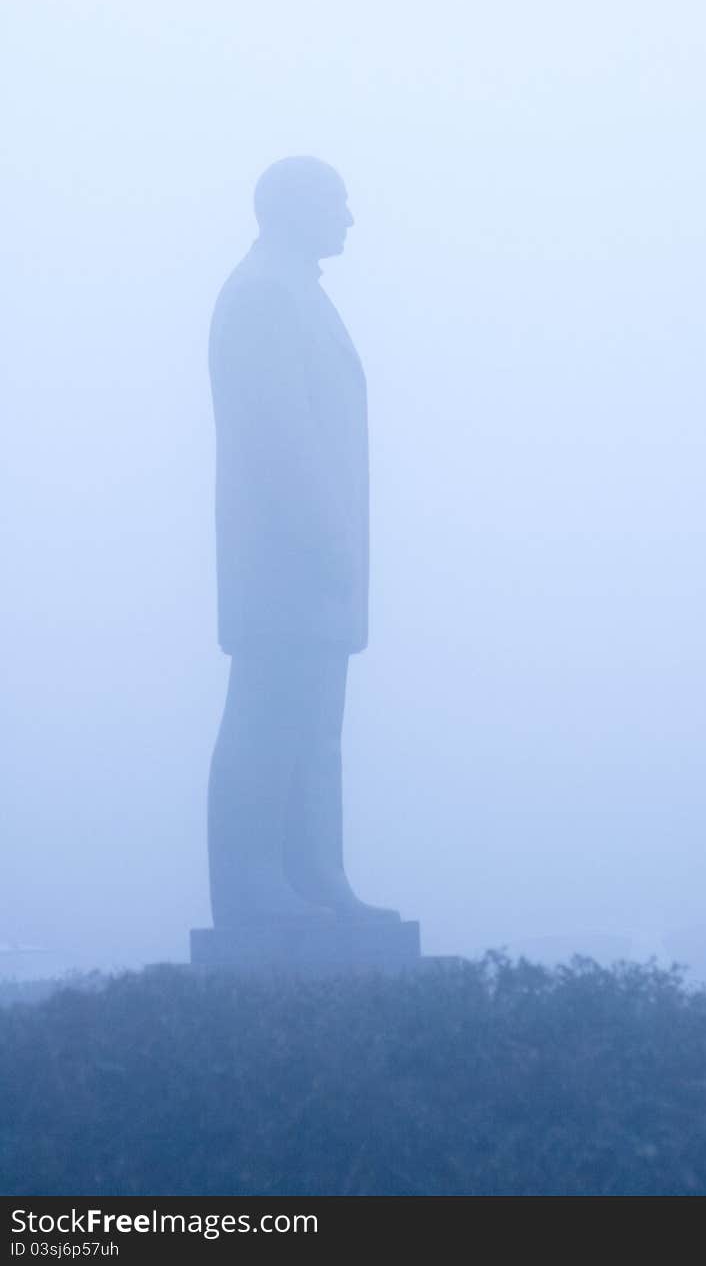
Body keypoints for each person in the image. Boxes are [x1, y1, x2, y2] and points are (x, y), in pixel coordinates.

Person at [206, 156, 396, 925]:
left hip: (314, 567)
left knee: (315, 731)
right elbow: (277, 434)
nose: (350, 217)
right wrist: (327, 536)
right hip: (285, 560)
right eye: (338, 201)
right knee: (268, 717)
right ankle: (253, 884)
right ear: (293, 208)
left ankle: (316, 877)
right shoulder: (263, 295)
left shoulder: (299, 293)